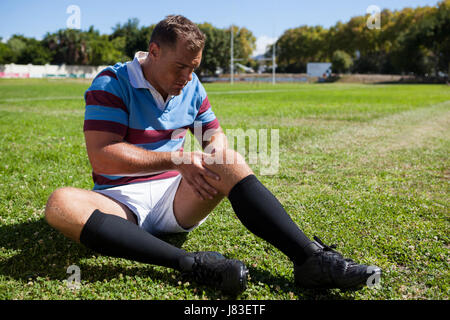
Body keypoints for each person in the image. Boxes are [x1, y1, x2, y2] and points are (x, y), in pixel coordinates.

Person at [45, 15, 381, 296]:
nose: (187, 78)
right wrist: (176, 159)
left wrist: (216, 156)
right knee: (61, 204)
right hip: (119, 204)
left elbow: (212, 137)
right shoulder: (112, 82)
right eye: (180, 67)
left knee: (229, 158)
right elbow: (103, 157)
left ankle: (310, 260)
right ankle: (193, 264)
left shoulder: (190, 86)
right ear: (154, 51)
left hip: (177, 197)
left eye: (193, 68)